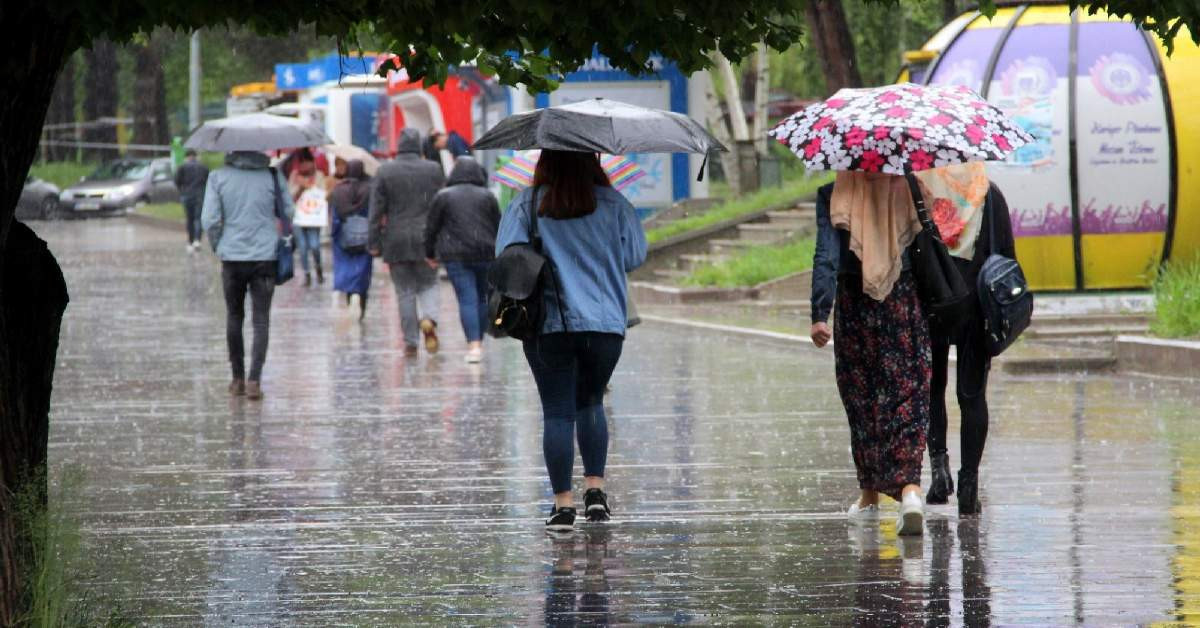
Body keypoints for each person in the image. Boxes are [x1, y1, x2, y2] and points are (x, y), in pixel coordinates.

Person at [494, 150, 647, 531]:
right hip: (605, 324)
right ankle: (596, 493)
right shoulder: (615, 203)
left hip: (549, 323)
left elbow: (506, 257)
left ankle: (563, 506)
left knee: (558, 412)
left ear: (545, 162)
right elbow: (634, 255)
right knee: (591, 402)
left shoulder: (527, 204)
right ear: (593, 161)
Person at [810, 171, 930, 536]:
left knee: (862, 398)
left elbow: (826, 255)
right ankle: (910, 491)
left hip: (854, 302)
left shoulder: (834, 193)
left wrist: (819, 312)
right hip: (904, 301)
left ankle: (870, 497)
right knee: (907, 392)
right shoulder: (909, 187)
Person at [921, 165, 1016, 516]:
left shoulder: (921, 193)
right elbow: (1006, 259)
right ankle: (968, 486)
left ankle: (939, 470)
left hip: (931, 304)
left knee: (932, 390)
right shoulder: (990, 195)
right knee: (972, 395)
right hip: (976, 307)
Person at [200, 151, 294, 400]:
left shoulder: (218, 177)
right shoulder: (272, 176)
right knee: (261, 319)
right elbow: (289, 211)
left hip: (232, 258)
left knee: (234, 316)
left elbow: (209, 220)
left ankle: (237, 379)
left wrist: (219, 245)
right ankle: (255, 380)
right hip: (265, 257)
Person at [369, 128, 446, 356]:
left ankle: (411, 341)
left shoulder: (385, 171)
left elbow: (375, 211)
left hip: (396, 239)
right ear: (419, 146)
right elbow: (441, 205)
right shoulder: (433, 169)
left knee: (405, 292)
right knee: (429, 284)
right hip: (427, 239)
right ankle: (429, 318)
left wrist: (373, 242)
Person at [423, 157, 501, 363]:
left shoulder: (444, 196)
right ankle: (479, 342)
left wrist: (429, 253)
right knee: (483, 298)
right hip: (486, 253)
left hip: (455, 256)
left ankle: (473, 345)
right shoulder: (487, 196)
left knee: (467, 299)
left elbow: (431, 228)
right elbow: (499, 225)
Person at [329, 159, 374, 320]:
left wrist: (334, 234)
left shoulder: (338, 191)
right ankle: (360, 301)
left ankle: (350, 296)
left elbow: (334, 217)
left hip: (343, 237)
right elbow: (373, 214)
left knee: (346, 269)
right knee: (362, 271)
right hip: (364, 236)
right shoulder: (369, 190)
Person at [288, 148, 327, 286]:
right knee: (302, 247)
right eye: (302, 163)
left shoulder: (319, 176)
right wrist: (300, 187)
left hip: (314, 218)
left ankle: (318, 268)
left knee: (315, 245)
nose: (305, 166)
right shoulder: (294, 176)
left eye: (307, 162)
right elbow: (290, 197)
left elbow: (323, 195)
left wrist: (312, 186)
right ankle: (307, 273)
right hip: (298, 218)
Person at [174, 149, 209, 251]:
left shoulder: (182, 167)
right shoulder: (203, 167)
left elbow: (177, 181)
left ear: (187, 157)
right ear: (196, 156)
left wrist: (182, 191)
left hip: (187, 195)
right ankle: (197, 240)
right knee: (198, 218)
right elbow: (208, 181)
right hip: (200, 195)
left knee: (189, 219)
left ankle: (190, 241)